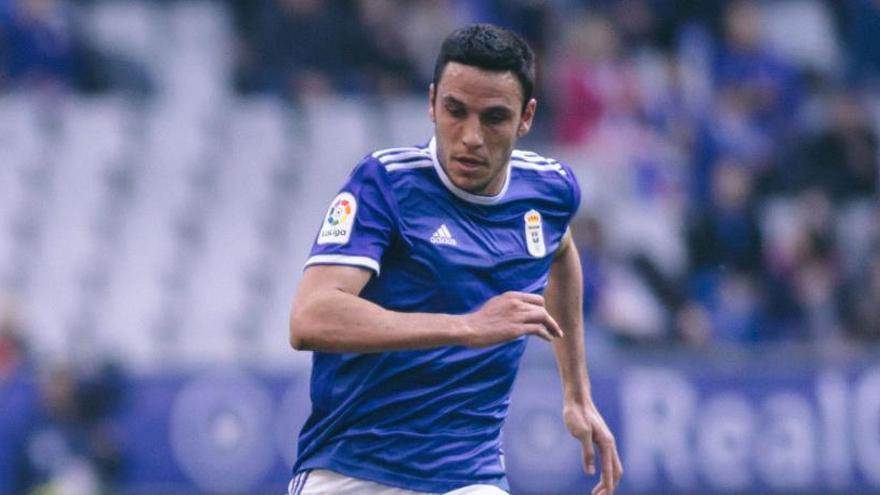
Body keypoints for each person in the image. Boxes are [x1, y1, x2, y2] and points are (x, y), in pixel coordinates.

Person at [288, 23, 623, 495]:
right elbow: (310, 317)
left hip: (469, 475)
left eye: (493, 118)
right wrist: (468, 326)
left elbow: (561, 252)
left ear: (526, 118)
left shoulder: (549, 190)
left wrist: (577, 393)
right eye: (455, 111)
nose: (470, 136)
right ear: (431, 103)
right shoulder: (385, 184)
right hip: (353, 469)